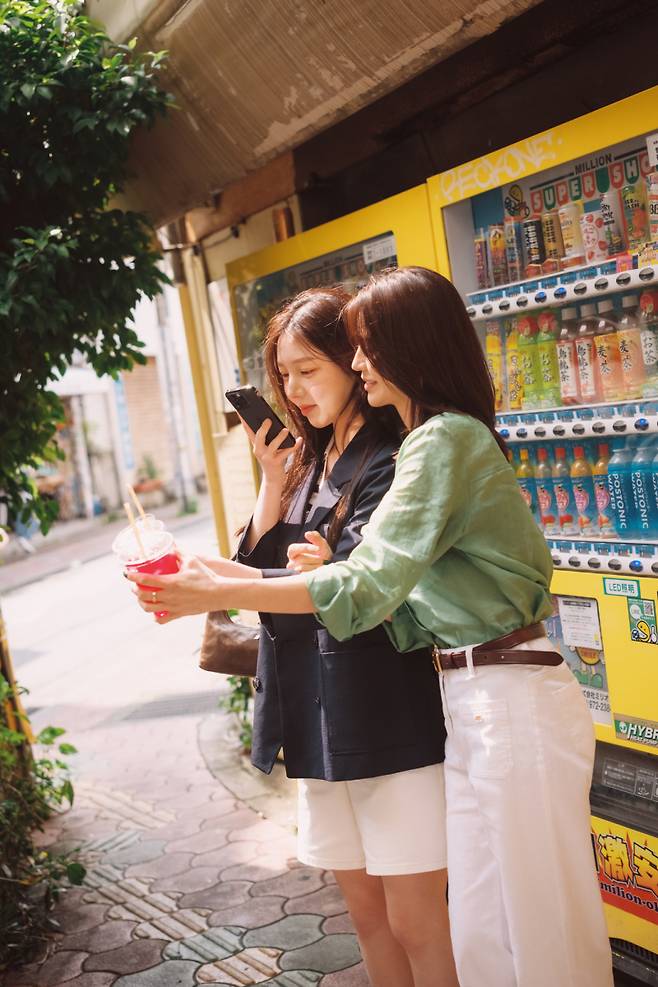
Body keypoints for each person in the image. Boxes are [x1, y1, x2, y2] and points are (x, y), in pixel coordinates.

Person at [128, 268, 614, 987]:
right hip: (477, 695)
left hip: (508, 695)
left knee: (539, 929)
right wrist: (246, 577)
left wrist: (221, 588)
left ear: (408, 348)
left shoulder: (438, 441)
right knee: (487, 928)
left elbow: (368, 584)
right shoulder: (427, 440)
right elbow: (397, 606)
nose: (356, 364)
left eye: (363, 347)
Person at [193, 286, 457, 987]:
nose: (293, 388)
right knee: (366, 915)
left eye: (309, 368)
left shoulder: (393, 454)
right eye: (283, 374)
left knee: (417, 920)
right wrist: (272, 481)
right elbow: (262, 578)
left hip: (385, 707)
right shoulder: (306, 459)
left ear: (352, 361)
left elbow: (366, 582)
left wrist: (244, 581)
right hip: (315, 707)